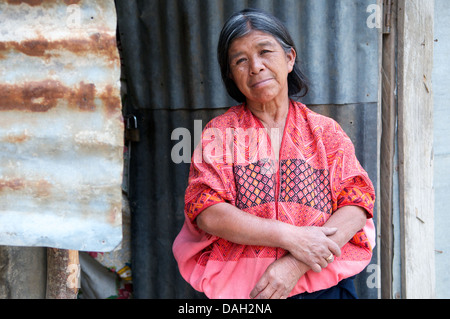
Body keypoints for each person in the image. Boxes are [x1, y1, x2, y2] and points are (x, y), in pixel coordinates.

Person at [172, 8, 375, 299]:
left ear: (290, 58)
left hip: (323, 287)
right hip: (250, 293)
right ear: (231, 74)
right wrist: (290, 236)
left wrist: (295, 264)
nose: (255, 67)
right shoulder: (219, 134)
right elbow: (206, 211)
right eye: (240, 60)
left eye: (265, 51)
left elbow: (357, 202)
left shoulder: (325, 131)